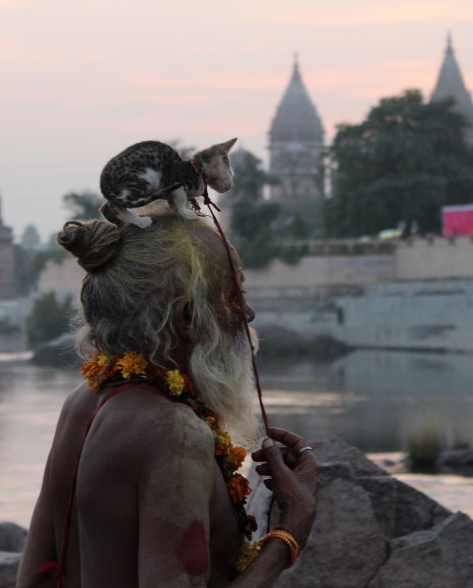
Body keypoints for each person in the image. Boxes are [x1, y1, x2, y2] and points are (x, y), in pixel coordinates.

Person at [17, 206, 319, 587]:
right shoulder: (174, 434)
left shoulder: (81, 402)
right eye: (234, 297)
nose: (249, 314)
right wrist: (290, 532)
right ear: (187, 318)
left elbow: (31, 580)